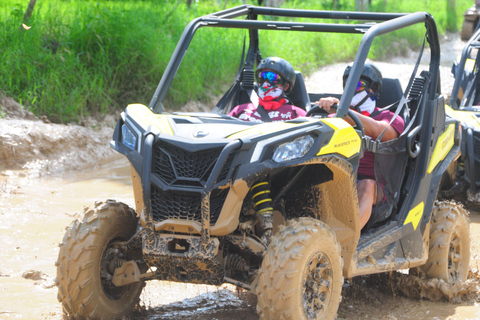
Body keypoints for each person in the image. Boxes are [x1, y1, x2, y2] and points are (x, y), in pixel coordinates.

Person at [316, 62, 405, 229]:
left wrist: (343, 111)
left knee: (367, 185)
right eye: (348, 85)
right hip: (341, 179)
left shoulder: (390, 117)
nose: (351, 90)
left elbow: (378, 131)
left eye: (357, 85)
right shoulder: (337, 117)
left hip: (378, 188)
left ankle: (346, 243)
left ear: (373, 89)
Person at [229, 57, 307, 122]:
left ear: (286, 86)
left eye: (273, 78)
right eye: (262, 77)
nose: (266, 83)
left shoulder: (297, 114)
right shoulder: (239, 110)